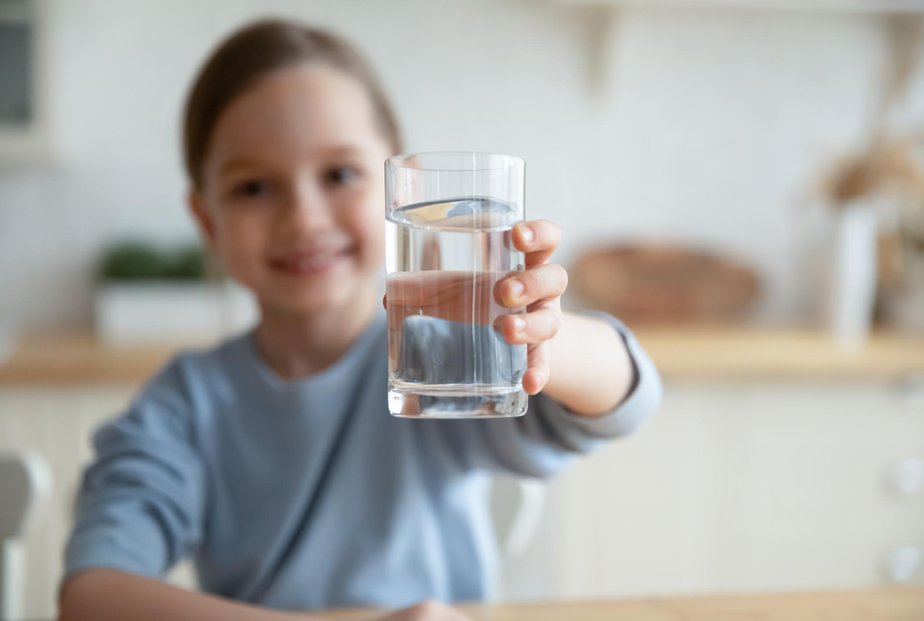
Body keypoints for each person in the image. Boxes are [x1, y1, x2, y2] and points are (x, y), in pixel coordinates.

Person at [58, 18, 662, 621]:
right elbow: (91, 595)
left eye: (340, 175)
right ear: (207, 220)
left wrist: (546, 335)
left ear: (396, 187)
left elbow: (623, 399)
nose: (304, 218)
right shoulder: (184, 407)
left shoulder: (441, 357)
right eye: (253, 188)